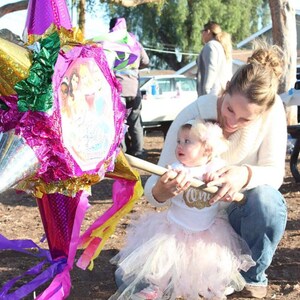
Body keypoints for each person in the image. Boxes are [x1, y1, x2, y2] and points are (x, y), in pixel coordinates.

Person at [144, 42, 288, 299]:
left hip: (238, 220)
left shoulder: (273, 110)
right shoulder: (195, 114)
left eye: (245, 119)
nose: (232, 122)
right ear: (226, 89)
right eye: (229, 109)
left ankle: (251, 277)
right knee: (132, 281)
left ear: (263, 112)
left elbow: (275, 173)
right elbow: (154, 185)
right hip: (193, 226)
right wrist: (161, 191)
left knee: (268, 200)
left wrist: (243, 174)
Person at [110, 119, 255, 300]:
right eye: (179, 141)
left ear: (207, 149)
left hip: (207, 230)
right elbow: (170, 176)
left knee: (208, 263)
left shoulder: (216, 167)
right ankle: (156, 288)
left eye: (188, 141)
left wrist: (214, 176)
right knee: (164, 262)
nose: (180, 145)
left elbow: (223, 175)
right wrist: (172, 179)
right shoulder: (179, 169)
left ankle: (211, 286)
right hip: (175, 228)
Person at [109, 17, 150, 159]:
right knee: (135, 122)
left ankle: (122, 153)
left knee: (119, 122)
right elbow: (146, 61)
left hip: (118, 90)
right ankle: (138, 151)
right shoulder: (134, 42)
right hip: (134, 89)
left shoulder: (109, 42)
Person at [196, 21, 232, 96]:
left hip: (212, 95)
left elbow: (211, 69)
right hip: (222, 94)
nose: (202, 35)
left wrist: (207, 93)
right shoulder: (222, 46)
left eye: (202, 31)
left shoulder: (210, 46)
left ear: (208, 31)